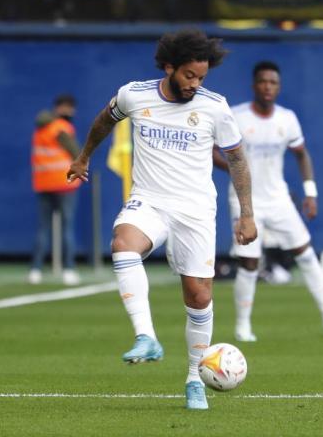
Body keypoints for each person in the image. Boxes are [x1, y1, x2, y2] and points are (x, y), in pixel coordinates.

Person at [67, 29, 257, 410]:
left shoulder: (214, 107)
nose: (195, 84)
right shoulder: (134, 94)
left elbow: (236, 159)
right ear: (169, 67)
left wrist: (247, 214)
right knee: (123, 244)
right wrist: (84, 156)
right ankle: (146, 336)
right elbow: (104, 121)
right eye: (189, 75)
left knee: (199, 296)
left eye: (201, 77)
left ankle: (194, 379)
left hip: (196, 210)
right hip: (149, 201)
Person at [213, 60, 323, 343]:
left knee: (305, 253)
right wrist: (235, 169)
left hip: (278, 199)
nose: (268, 87)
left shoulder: (287, 118)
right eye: (263, 82)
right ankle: (243, 327)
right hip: (245, 201)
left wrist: (310, 192)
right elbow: (211, 150)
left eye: (273, 83)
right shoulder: (237, 116)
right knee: (249, 263)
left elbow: (302, 155)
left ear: (278, 87)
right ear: (254, 85)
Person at [29, 94, 81, 286]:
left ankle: (35, 270)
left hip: (43, 183)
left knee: (43, 229)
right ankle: (69, 269)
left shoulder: (39, 130)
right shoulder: (62, 128)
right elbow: (77, 153)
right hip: (64, 183)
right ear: (63, 108)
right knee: (67, 228)